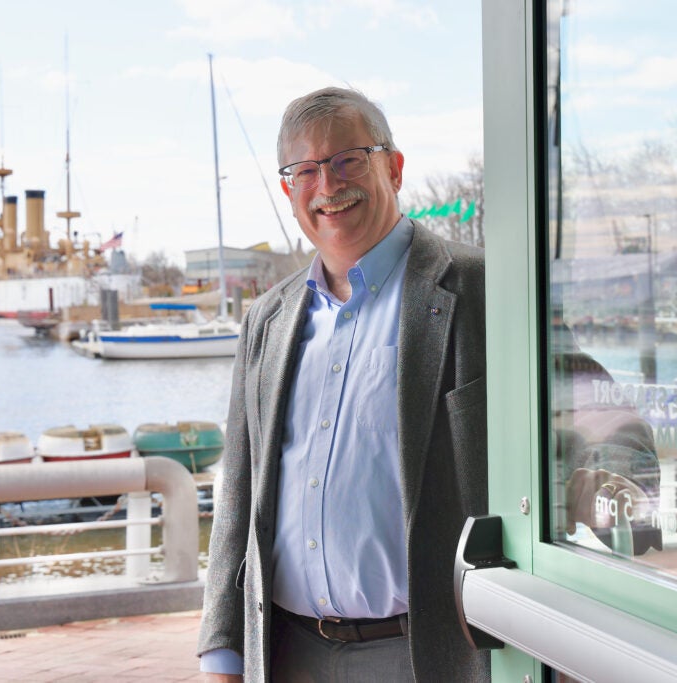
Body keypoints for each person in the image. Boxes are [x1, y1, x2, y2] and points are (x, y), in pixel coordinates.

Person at [197, 86, 490, 682]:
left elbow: (580, 407)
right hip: (286, 652)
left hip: (425, 655)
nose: (328, 186)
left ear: (395, 167)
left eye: (347, 160)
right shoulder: (267, 320)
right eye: (305, 170)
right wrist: (223, 654)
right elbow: (239, 503)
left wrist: (609, 475)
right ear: (288, 190)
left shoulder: (479, 289)